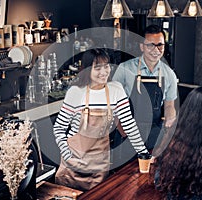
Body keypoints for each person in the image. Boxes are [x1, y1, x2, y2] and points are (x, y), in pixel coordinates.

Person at [53, 48, 149, 191]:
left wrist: (143, 152)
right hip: (73, 163)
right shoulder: (76, 92)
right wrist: (67, 155)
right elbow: (59, 128)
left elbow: (129, 125)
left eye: (106, 66)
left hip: (99, 165)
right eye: (97, 68)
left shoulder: (116, 90)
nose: (104, 72)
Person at [112, 24, 178, 150]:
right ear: (142, 47)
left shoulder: (169, 74)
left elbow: (169, 105)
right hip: (127, 133)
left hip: (155, 134)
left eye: (160, 45)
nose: (156, 50)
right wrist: (121, 130)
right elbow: (113, 104)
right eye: (150, 45)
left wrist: (170, 120)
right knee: (124, 170)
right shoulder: (125, 69)